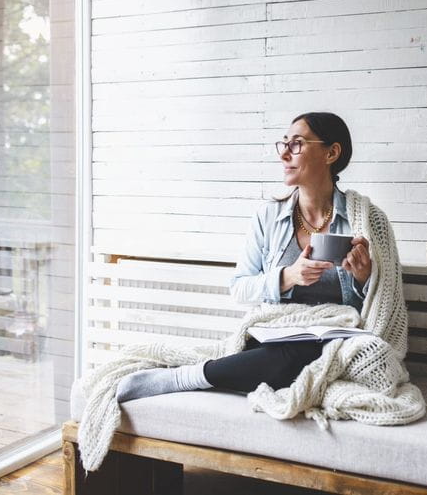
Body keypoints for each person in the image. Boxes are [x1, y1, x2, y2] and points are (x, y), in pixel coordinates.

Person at [116, 112, 374, 401]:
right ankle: (189, 376)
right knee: (286, 355)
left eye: (297, 144)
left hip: (335, 340)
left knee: (301, 356)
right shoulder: (268, 217)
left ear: (332, 152)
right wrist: (288, 277)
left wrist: (363, 280)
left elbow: (381, 307)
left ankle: (188, 376)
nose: (285, 154)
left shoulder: (364, 219)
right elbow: (239, 286)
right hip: (276, 335)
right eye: (284, 144)